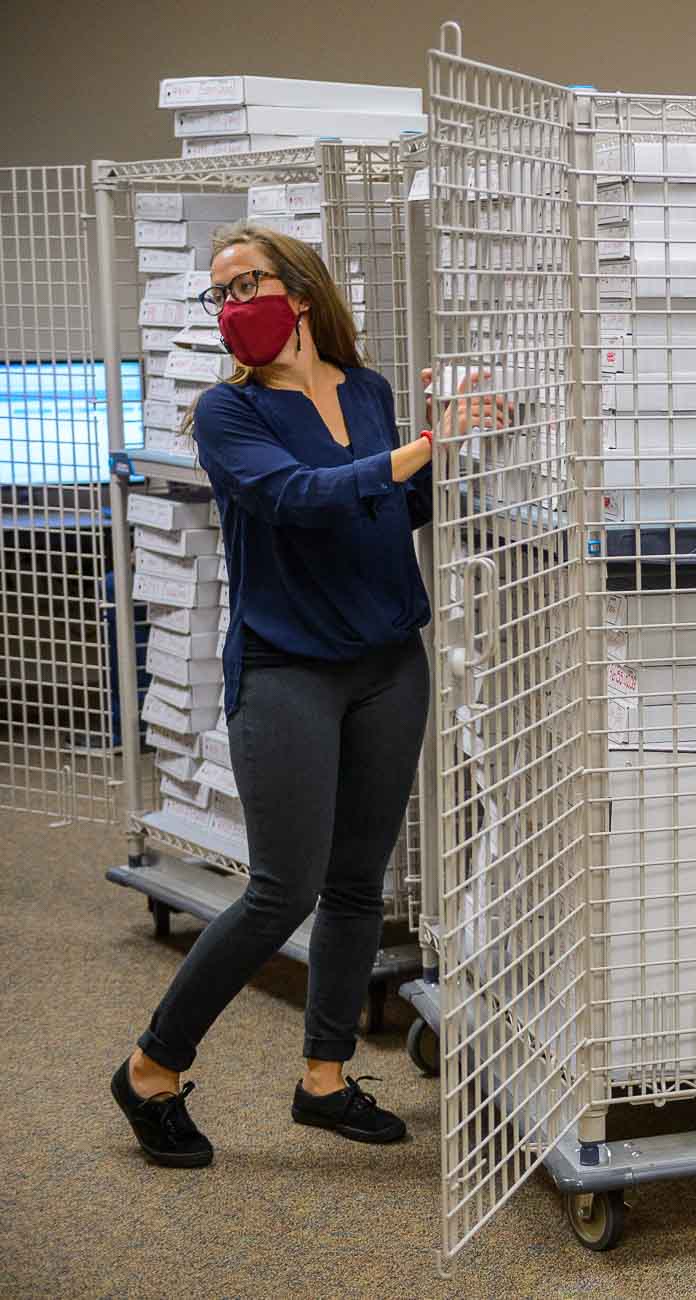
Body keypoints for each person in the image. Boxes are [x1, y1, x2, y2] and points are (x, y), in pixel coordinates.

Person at [110, 224, 503, 1166]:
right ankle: (150, 1069)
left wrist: (464, 441)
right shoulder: (226, 414)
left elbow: (399, 504)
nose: (235, 303)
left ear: (300, 288)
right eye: (220, 293)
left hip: (386, 663)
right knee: (279, 890)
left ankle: (323, 1078)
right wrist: (418, 450)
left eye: (250, 281)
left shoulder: (365, 391)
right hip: (286, 671)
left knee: (357, 884)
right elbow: (297, 495)